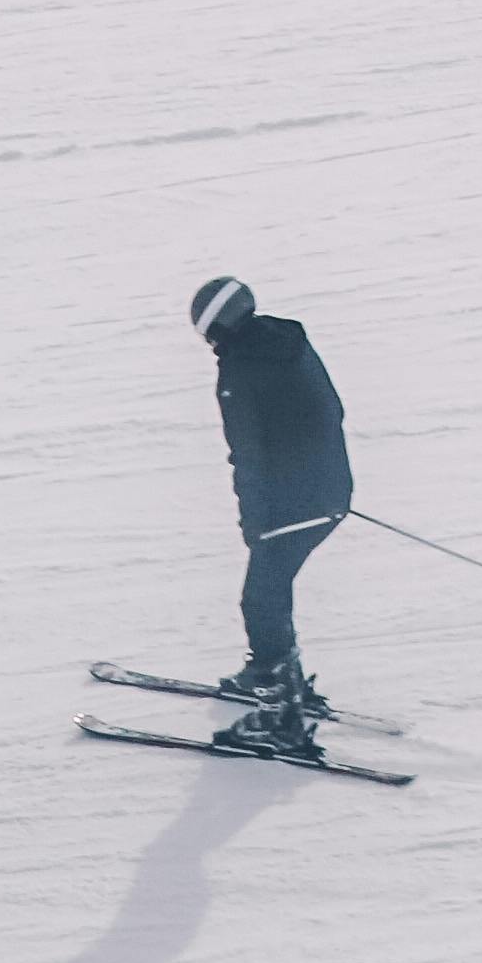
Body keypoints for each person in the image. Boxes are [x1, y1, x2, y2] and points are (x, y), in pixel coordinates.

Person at [188, 274, 355, 724]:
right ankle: (282, 678)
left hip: (289, 506)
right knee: (271, 590)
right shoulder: (290, 341)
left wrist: (255, 518)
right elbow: (329, 411)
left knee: (261, 597)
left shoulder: (239, 370)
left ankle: (278, 706)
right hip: (331, 491)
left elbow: (248, 454)